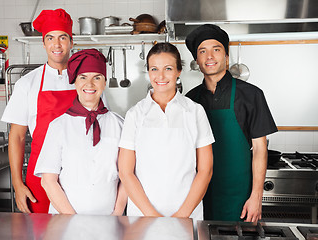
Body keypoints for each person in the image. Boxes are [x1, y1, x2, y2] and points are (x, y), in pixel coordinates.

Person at [185, 24, 278, 222]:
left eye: (216, 49)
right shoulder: (189, 100)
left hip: (240, 200)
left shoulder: (252, 95)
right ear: (197, 61)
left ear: (227, 58)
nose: (209, 56)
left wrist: (256, 197)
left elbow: (260, 149)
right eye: (203, 51)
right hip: (198, 198)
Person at [118, 42, 214, 221]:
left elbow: (205, 170)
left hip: (187, 216)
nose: (160, 76)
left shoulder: (195, 111)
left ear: (178, 71)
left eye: (168, 68)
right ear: (148, 72)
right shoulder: (135, 114)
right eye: (154, 69)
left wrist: (181, 216)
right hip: (143, 218)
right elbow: (125, 172)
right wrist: (153, 217)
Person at [1, 9, 77, 213]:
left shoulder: (85, 81)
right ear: (43, 43)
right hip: (39, 177)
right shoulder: (28, 83)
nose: (57, 44)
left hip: (77, 174)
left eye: (63, 37)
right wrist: (18, 185)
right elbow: (16, 137)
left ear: (71, 41)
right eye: (50, 38)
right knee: (39, 233)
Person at [34, 49, 126, 215]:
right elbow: (48, 181)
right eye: (83, 77)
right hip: (65, 222)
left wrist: (117, 214)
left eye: (97, 78)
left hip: (108, 221)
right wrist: (73, 220)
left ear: (104, 83)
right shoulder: (58, 126)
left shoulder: (119, 124)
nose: (89, 84)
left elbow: (127, 177)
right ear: (75, 82)